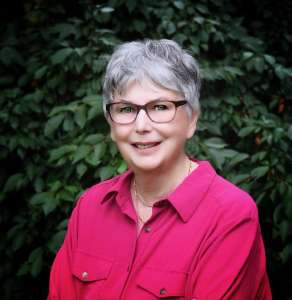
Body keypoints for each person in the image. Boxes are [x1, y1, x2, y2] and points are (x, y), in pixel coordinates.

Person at [48, 39, 272, 300]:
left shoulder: (230, 216)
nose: (141, 125)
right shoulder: (90, 206)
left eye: (160, 107)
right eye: (127, 109)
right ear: (111, 125)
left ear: (192, 119)